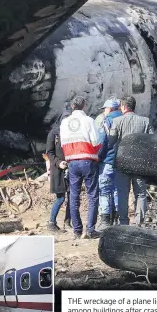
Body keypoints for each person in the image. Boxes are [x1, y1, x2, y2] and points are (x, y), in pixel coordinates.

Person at [60, 95, 102, 239]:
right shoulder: (89, 121)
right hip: (88, 160)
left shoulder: (64, 123)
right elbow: (96, 141)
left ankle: (77, 230)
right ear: (84, 105)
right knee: (92, 196)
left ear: (72, 106)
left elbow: (63, 144)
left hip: (72, 162)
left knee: (74, 196)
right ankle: (90, 230)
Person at [108, 95, 153, 226]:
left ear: (123, 106)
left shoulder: (117, 121)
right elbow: (152, 142)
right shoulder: (145, 121)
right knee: (141, 194)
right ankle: (139, 222)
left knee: (123, 193)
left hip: (122, 163)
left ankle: (123, 222)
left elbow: (111, 142)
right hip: (140, 163)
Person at [96, 99, 123, 232]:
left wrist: (98, 157)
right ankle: (118, 220)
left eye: (105, 109)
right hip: (122, 163)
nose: (104, 111)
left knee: (105, 191)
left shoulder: (107, 121)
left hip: (108, 161)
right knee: (118, 190)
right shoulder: (125, 120)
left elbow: (102, 142)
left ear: (110, 109)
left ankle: (106, 221)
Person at [45, 108, 72, 233]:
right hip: (58, 170)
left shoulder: (72, 132)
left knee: (72, 197)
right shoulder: (54, 133)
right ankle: (51, 223)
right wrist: (58, 162)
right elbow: (49, 153)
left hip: (71, 169)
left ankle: (68, 221)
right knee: (60, 198)